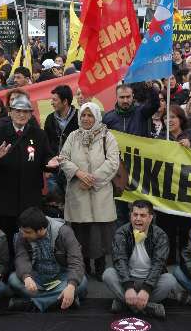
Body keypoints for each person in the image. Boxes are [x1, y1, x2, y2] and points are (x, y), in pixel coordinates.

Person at [0, 94, 58, 258]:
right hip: (4, 198)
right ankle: (6, 268)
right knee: (6, 239)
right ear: (10, 112)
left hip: (30, 198)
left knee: (30, 238)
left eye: (26, 111)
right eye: (18, 111)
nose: (22, 115)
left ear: (31, 114)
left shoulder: (39, 135)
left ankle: (29, 270)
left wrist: (51, 163)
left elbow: (46, 157)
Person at [60, 102, 119, 280]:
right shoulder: (73, 136)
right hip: (78, 192)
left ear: (96, 117)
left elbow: (113, 162)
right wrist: (78, 173)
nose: (86, 119)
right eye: (83, 115)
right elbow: (63, 158)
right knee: (80, 233)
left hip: (100, 192)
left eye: (90, 115)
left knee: (100, 233)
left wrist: (92, 179)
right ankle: (83, 267)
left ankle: (101, 267)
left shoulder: (107, 136)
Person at [103, 200, 178, 318]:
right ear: (130, 216)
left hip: (151, 281)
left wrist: (147, 289)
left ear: (150, 218)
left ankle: (125, 303)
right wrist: (128, 286)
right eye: (135, 214)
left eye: (143, 215)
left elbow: (158, 264)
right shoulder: (121, 233)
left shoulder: (160, 235)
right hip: (128, 278)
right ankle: (147, 307)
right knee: (108, 274)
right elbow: (119, 260)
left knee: (170, 280)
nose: (138, 219)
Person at [8, 207, 88, 312]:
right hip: (36, 278)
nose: (23, 234)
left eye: (28, 232)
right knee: (13, 279)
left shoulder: (64, 232)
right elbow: (21, 258)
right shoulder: (22, 234)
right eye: (22, 231)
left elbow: (76, 260)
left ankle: (33, 304)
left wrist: (71, 285)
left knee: (81, 282)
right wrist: (26, 277)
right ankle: (62, 299)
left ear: (40, 230)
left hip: (61, 277)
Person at [103, 83, 159, 227]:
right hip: (119, 174)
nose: (125, 100)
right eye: (122, 97)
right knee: (120, 214)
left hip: (140, 172)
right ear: (116, 98)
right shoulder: (108, 118)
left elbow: (154, 104)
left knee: (141, 212)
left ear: (133, 96)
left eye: (128, 97)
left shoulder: (141, 112)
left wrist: (149, 87)